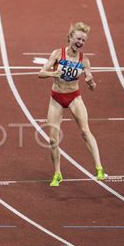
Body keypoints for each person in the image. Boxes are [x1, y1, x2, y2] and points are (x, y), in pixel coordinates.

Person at [38, 22, 106, 186]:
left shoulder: (84, 60)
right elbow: (40, 73)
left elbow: (91, 85)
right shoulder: (57, 54)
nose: (81, 43)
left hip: (74, 97)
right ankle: (57, 173)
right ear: (70, 38)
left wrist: (91, 83)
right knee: (53, 139)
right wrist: (53, 73)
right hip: (57, 98)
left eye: (83, 40)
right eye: (78, 39)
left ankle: (99, 167)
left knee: (84, 131)